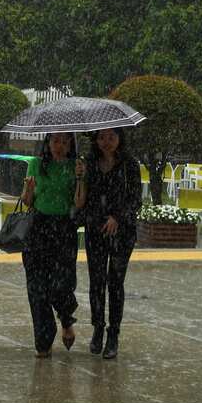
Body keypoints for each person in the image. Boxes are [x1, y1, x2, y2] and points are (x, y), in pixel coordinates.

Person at [77, 128, 141, 360]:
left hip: (122, 233)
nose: (106, 142)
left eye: (111, 137)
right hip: (95, 229)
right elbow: (83, 200)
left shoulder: (129, 164)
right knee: (96, 282)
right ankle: (97, 328)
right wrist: (80, 177)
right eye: (102, 137)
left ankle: (113, 334)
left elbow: (135, 199)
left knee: (115, 283)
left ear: (120, 138)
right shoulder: (89, 163)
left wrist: (117, 217)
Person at [20, 132, 84, 358]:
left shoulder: (75, 166)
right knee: (37, 288)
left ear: (71, 145)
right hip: (38, 229)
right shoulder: (36, 164)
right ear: (47, 142)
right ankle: (43, 340)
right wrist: (28, 188)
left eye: (65, 142)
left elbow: (78, 203)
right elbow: (27, 201)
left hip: (63, 230)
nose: (60, 146)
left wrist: (80, 179)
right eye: (55, 141)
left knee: (61, 285)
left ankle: (66, 320)